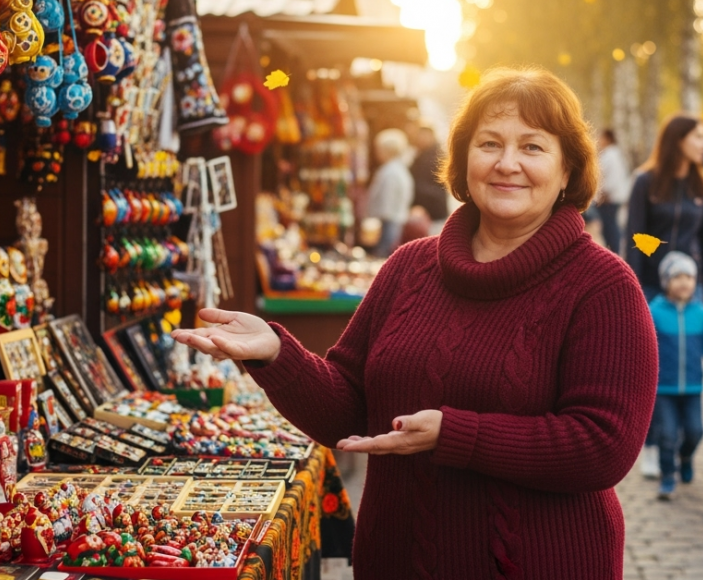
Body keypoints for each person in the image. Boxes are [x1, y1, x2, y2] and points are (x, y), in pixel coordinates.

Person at [171, 67, 658, 579]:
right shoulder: (410, 266)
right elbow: (349, 413)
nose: (507, 163)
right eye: (489, 143)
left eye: (532, 147)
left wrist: (457, 434)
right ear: (464, 158)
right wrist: (277, 354)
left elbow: (604, 446)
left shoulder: (603, 286)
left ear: (567, 170)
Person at [626, 113, 703, 478]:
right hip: (651, 287)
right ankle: (651, 443)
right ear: (678, 140)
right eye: (698, 137)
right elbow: (634, 241)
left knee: (686, 362)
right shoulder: (645, 182)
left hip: (691, 290)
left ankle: (680, 439)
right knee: (653, 369)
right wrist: (632, 293)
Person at [648, 251, 703, 500]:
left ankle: (685, 456)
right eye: (677, 277)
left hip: (693, 387)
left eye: (689, 277)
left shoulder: (701, 314)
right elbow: (644, 347)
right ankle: (667, 477)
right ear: (666, 282)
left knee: (695, 431)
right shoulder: (654, 312)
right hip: (664, 388)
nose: (684, 282)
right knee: (667, 434)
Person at [365, 128, 414, 257]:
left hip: (387, 222)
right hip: (392, 220)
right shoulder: (399, 169)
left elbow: (386, 203)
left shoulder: (390, 172)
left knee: (382, 255)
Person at [409, 125, 451, 234]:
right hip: (429, 210)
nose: (420, 139)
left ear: (431, 136)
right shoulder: (423, 154)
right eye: (419, 136)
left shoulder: (435, 157)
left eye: (423, 136)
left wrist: (415, 189)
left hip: (433, 211)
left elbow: (438, 186)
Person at [596, 128, 631, 254]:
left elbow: (610, 177)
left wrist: (605, 192)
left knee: (609, 227)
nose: (599, 140)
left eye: (602, 138)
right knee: (611, 225)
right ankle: (615, 250)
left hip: (609, 198)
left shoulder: (610, 155)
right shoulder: (616, 154)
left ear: (608, 138)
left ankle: (614, 251)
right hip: (615, 196)